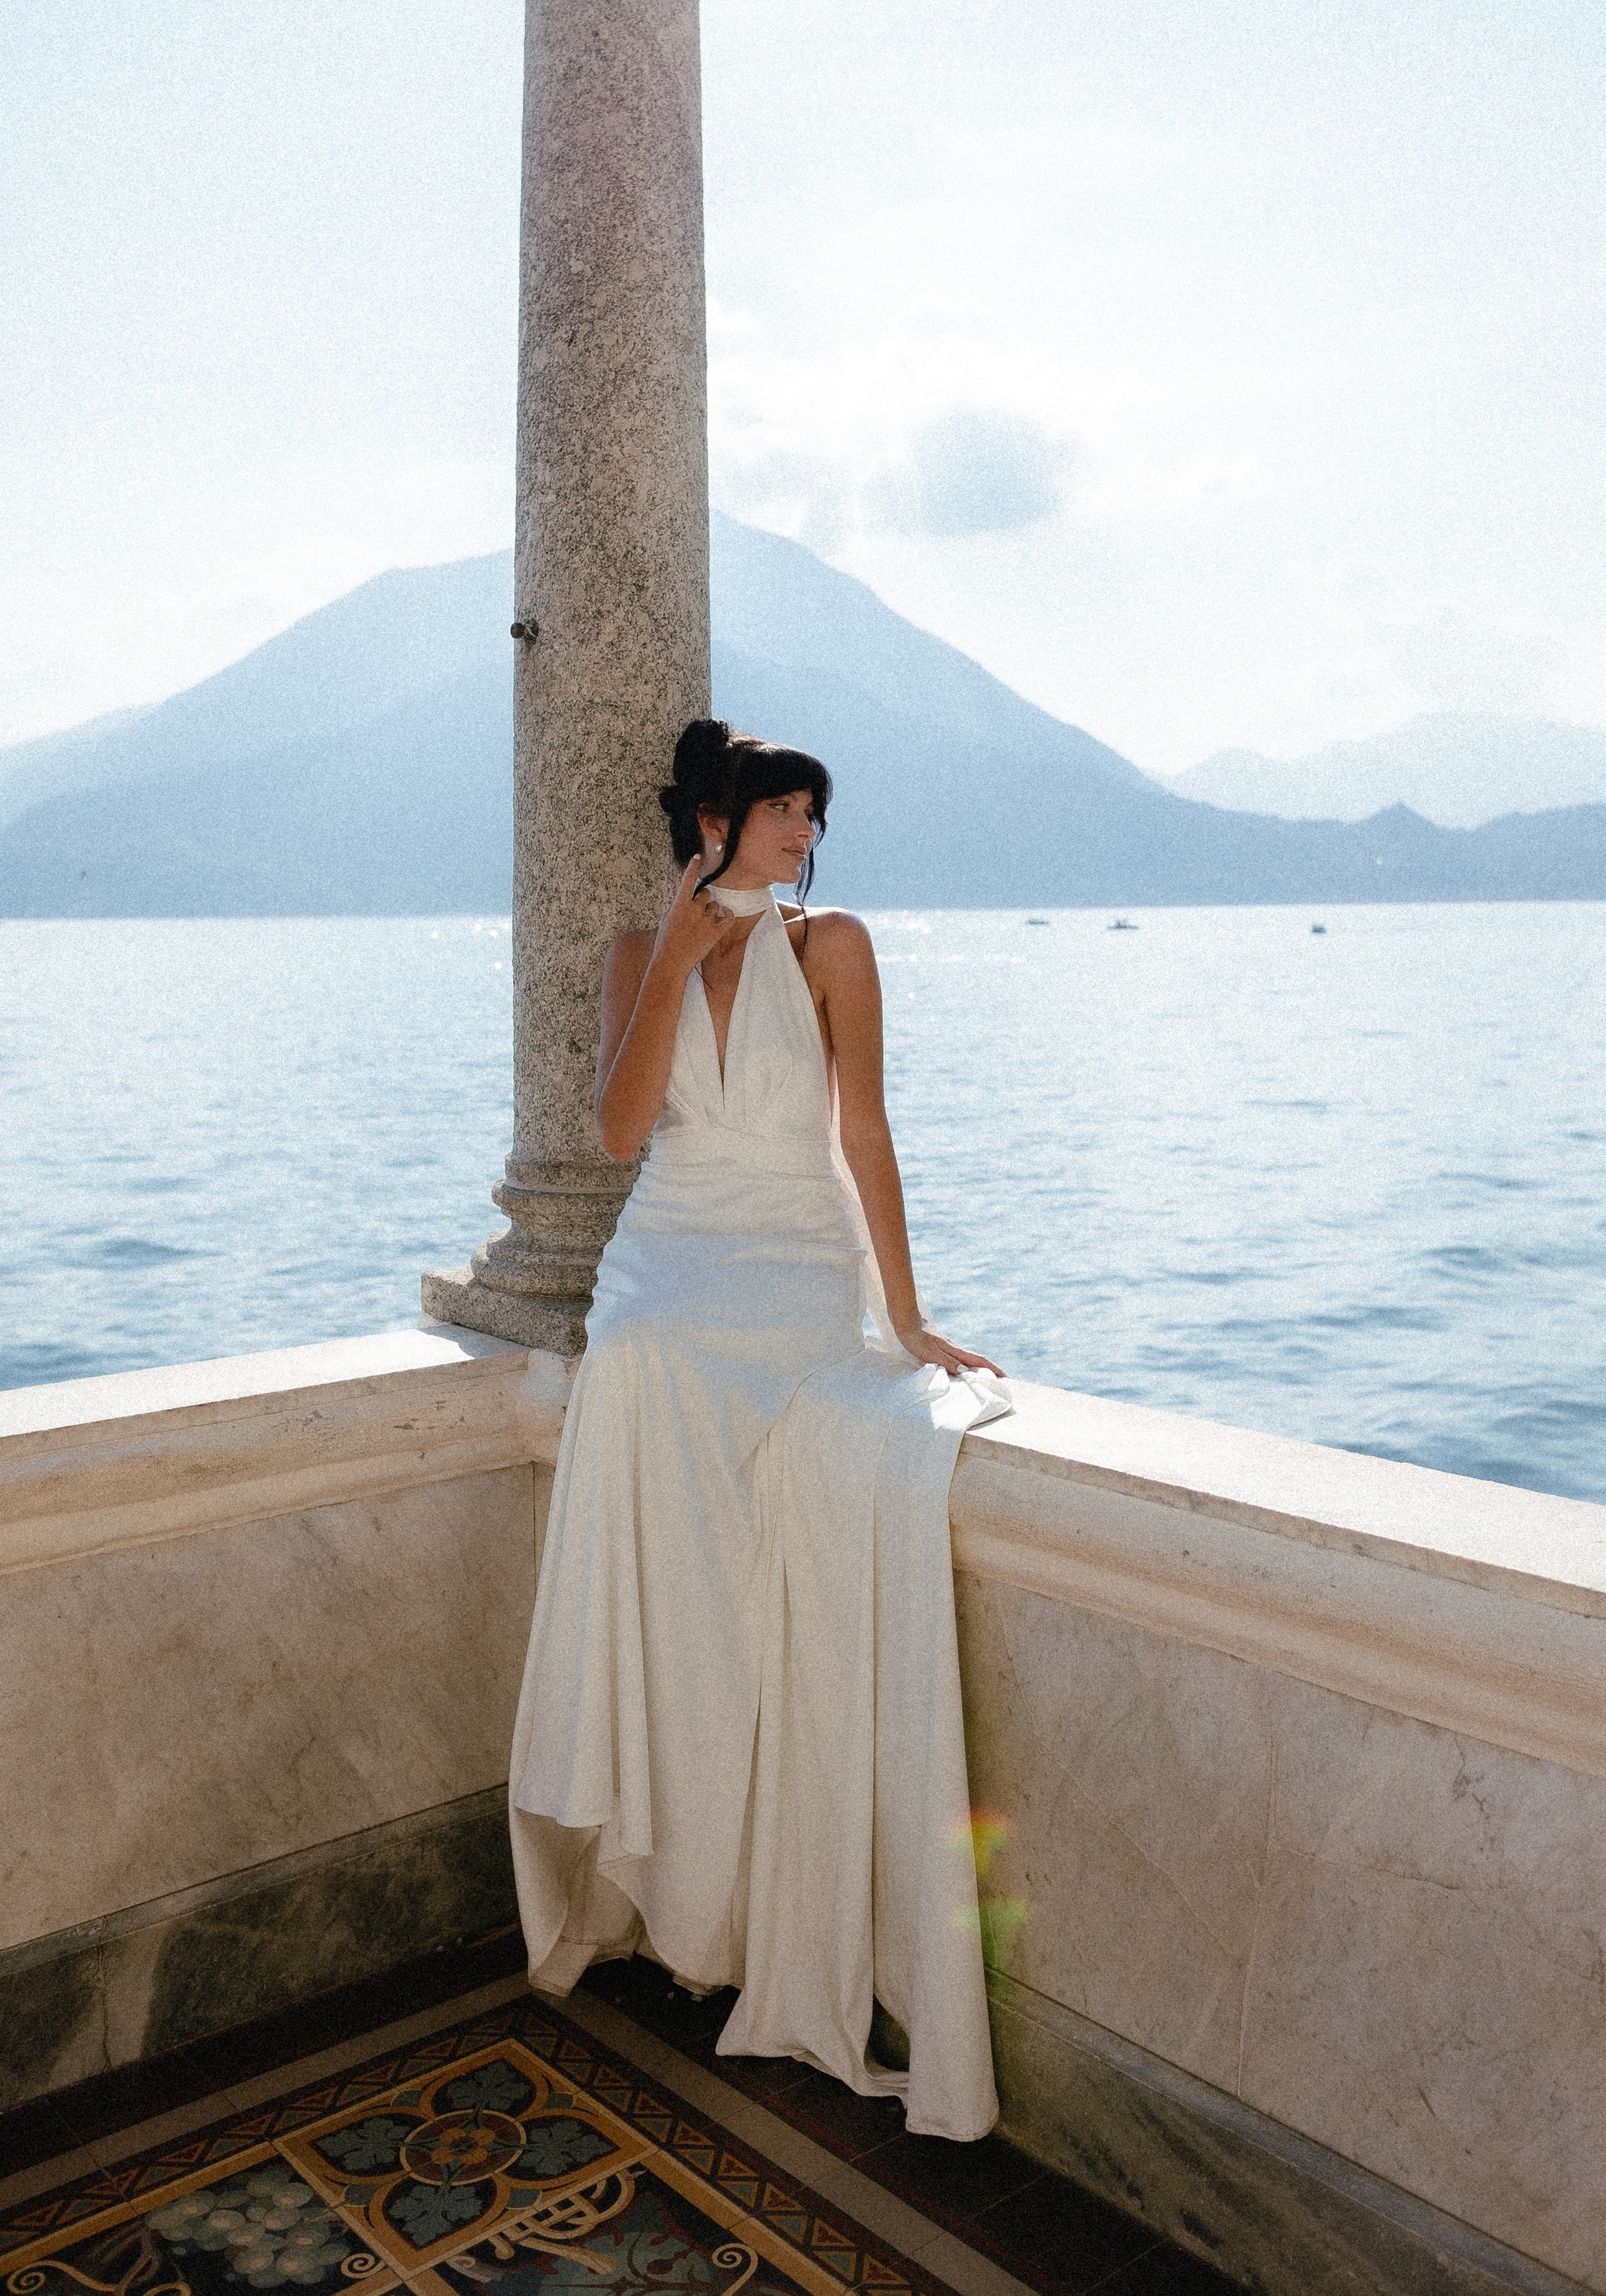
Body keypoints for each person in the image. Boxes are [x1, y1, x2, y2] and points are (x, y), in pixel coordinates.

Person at [506, 716, 1010, 2142]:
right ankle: (671, 1890)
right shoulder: (632, 950)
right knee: (644, 1373)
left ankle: (738, 1892)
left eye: (810, 816)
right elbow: (615, 1136)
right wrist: (675, 947)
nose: (807, 837)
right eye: (785, 813)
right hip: (669, 1264)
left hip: (793, 1265)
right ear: (714, 824)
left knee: (764, 1558)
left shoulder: (830, 944)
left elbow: (865, 1133)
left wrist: (906, 1320)